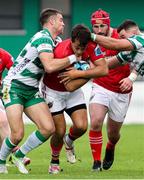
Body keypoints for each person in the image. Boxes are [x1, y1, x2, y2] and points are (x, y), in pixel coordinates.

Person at [0, 8, 80, 174]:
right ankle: (0, 162)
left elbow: (63, 56)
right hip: (13, 87)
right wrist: (74, 58)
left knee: (48, 128)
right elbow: (50, 66)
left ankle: (18, 155)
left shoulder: (55, 40)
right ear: (51, 22)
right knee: (17, 134)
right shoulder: (42, 38)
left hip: (30, 90)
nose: (63, 23)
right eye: (60, 20)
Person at [41, 24, 108, 174]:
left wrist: (80, 73)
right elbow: (69, 85)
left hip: (73, 91)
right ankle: (54, 160)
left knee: (82, 126)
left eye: (83, 48)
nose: (80, 51)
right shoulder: (61, 51)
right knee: (59, 131)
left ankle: (69, 141)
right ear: (71, 40)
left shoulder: (90, 45)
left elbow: (104, 69)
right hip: (54, 91)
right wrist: (89, 71)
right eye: (77, 47)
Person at [0, 48, 30, 166]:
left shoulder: (3, 55)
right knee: (2, 121)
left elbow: (17, 71)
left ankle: (6, 156)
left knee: (2, 123)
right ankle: (16, 152)